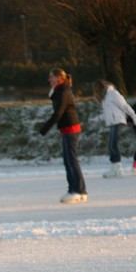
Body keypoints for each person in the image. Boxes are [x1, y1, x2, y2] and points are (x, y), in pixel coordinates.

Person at [38, 68, 87, 204]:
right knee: (68, 161)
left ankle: (78, 191)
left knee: (71, 160)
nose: (49, 79)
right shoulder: (59, 91)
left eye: (51, 77)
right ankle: (75, 190)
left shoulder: (63, 91)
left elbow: (58, 113)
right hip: (67, 129)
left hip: (71, 129)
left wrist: (44, 129)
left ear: (59, 78)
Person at [92, 79, 136, 178]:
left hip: (118, 121)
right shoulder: (105, 97)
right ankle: (114, 167)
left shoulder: (113, 94)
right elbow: (107, 113)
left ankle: (118, 169)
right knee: (111, 146)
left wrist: (134, 116)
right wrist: (96, 119)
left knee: (113, 145)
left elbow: (125, 106)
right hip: (113, 122)